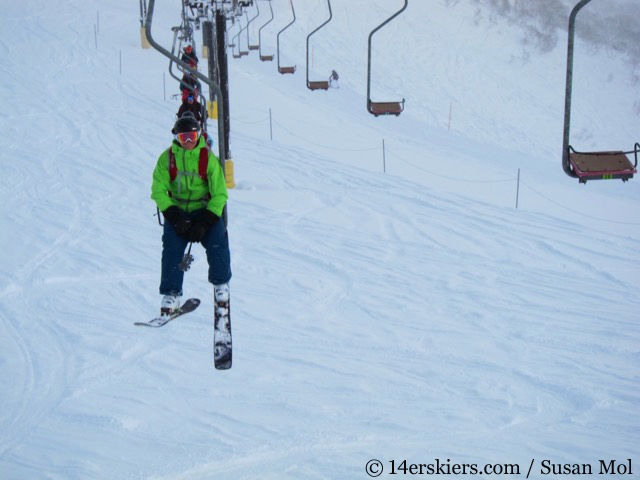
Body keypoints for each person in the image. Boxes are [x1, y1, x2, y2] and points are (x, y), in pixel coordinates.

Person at [151, 114, 231, 317]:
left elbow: (220, 193)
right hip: (178, 211)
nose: (188, 142)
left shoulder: (207, 159)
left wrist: (206, 222)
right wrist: (173, 214)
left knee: (217, 242)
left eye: (192, 136)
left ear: (199, 136)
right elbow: (158, 189)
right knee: (171, 247)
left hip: (204, 210)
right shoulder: (167, 159)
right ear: (176, 138)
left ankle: (221, 284)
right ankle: (171, 293)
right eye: (183, 137)